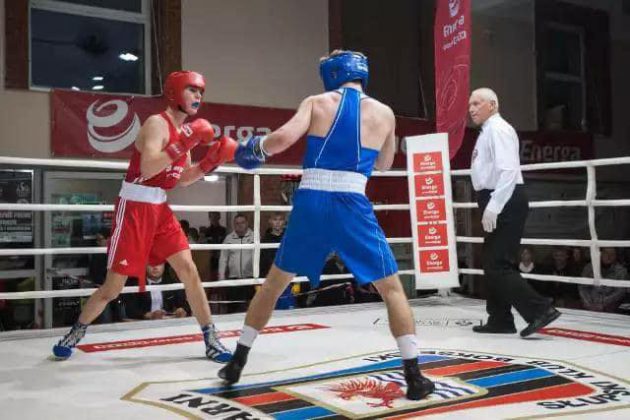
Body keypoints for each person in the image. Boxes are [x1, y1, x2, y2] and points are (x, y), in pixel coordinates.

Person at [218, 50, 435, 401]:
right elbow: (384, 164)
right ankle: (414, 377)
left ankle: (237, 362)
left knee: (273, 285)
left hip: (312, 200)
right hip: (352, 201)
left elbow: (282, 139)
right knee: (392, 289)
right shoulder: (385, 113)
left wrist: (252, 149)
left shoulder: (317, 102)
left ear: (333, 72)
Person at [52, 71, 237, 363]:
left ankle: (211, 338)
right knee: (113, 288)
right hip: (134, 208)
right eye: (192, 90)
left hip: (160, 208)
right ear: (175, 91)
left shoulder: (184, 132)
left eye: (201, 91)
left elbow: (180, 179)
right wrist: (185, 141)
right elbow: (149, 168)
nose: (198, 96)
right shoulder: (156, 124)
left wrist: (210, 162)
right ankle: (76, 332)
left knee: (189, 270)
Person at [468, 87, 560, 337]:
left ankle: (540, 309)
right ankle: (500, 319)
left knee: (498, 263)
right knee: (492, 261)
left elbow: (508, 171)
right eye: (470, 105)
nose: (472, 109)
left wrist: (494, 205)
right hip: (497, 197)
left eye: (477, 103)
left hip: (504, 197)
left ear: (493, 105)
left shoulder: (498, 129)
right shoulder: (488, 131)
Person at [123, 264, 189, 320]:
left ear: (164, 265)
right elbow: (130, 310)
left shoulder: (172, 282)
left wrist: (182, 310)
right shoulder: (134, 283)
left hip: (168, 322)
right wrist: (148, 315)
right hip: (142, 323)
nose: (155, 267)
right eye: (151, 263)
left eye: (159, 264)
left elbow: (185, 304)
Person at [218, 214, 255, 312]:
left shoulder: (255, 237)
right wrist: (221, 277)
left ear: (247, 223)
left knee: (251, 309)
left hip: (250, 278)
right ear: (234, 225)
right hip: (233, 279)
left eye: (242, 222)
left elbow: (260, 257)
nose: (240, 225)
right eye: (237, 223)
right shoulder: (228, 239)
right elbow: (223, 258)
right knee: (232, 309)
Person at [579, 247, 628, 312]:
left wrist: (603, 303)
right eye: (606, 253)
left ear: (616, 256)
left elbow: (620, 292)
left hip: (610, 306)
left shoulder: (621, 271)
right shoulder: (589, 267)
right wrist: (587, 302)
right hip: (589, 304)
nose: (609, 256)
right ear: (600, 254)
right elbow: (582, 287)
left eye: (612, 254)